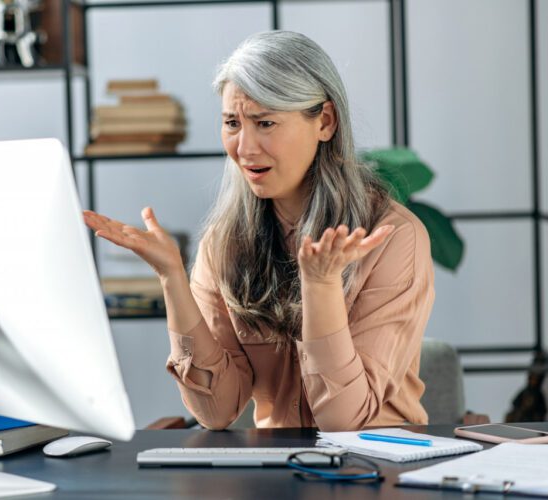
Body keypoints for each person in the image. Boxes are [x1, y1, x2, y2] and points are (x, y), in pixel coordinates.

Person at [83, 30, 434, 431]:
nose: (244, 148)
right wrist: (171, 277)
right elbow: (216, 411)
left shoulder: (393, 237)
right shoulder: (224, 243)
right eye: (233, 123)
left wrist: (320, 286)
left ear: (325, 121)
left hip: (376, 468)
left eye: (265, 122)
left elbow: (344, 420)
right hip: (276, 472)